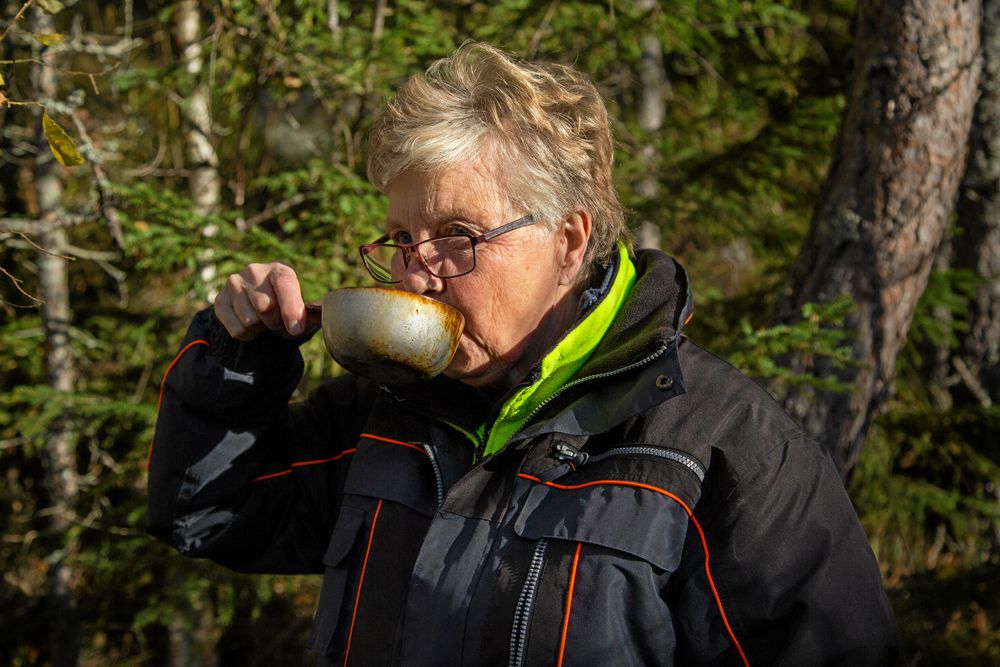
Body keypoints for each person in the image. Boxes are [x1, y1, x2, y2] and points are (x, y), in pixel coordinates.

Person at [147, 42, 898, 666]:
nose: (415, 273)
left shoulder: (720, 454)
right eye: (405, 240)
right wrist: (237, 362)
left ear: (568, 241)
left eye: (456, 238)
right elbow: (211, 511)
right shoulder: (395, 407)